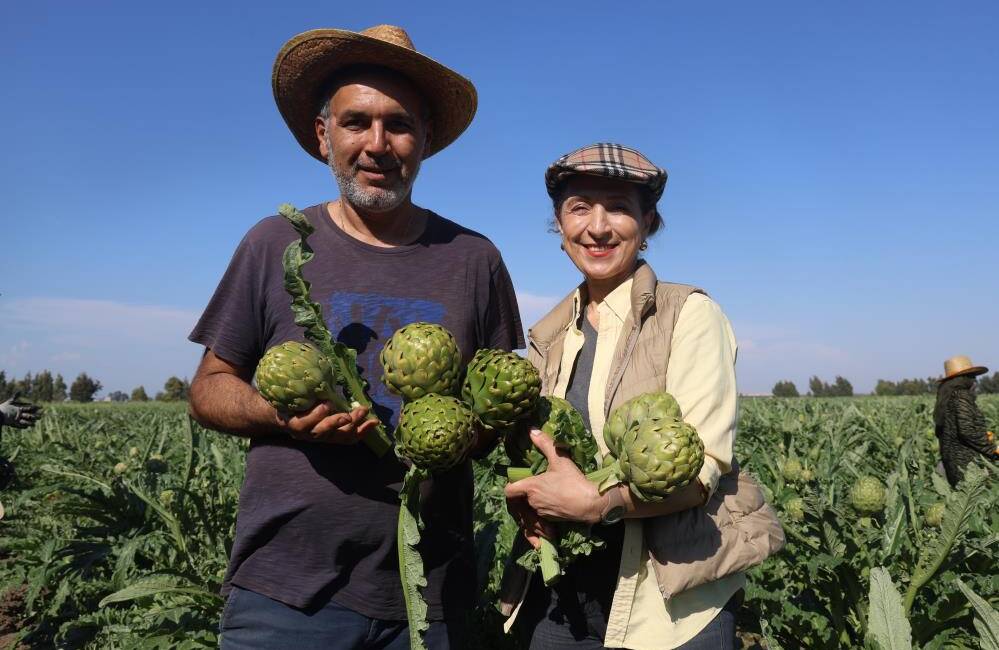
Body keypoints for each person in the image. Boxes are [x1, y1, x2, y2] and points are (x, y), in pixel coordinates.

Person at [188, 25, 523, 649]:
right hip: (286, 593)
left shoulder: (474, 259)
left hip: (430, 595)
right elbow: (209, 388)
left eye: (397, 123)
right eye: (355, 122)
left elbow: (501, 405)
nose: (377, 144)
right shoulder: (275, 243)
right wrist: (276, 413)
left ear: (423, 138)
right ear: (324, 136)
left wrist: (458, 437)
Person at [503, 143, 760, 649]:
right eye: (579, 207)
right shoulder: (549, 337)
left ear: (647, 224)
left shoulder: (688, 315)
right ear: (560, 226)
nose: (598, 227)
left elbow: (702, 467)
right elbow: (538, 459)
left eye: (619, 207)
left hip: (669, 608)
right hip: (561, 602)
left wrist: (598, 504)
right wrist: (530, 500)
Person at [934, 355, 997, 487]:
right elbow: (966, 432)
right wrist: (992, 449)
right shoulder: (961, 397)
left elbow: (951, 430)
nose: (975, 381)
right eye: (972, 377)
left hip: (953, 463)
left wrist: (982, 433)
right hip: (969, 465)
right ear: (964, 379)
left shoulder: (946, 399)